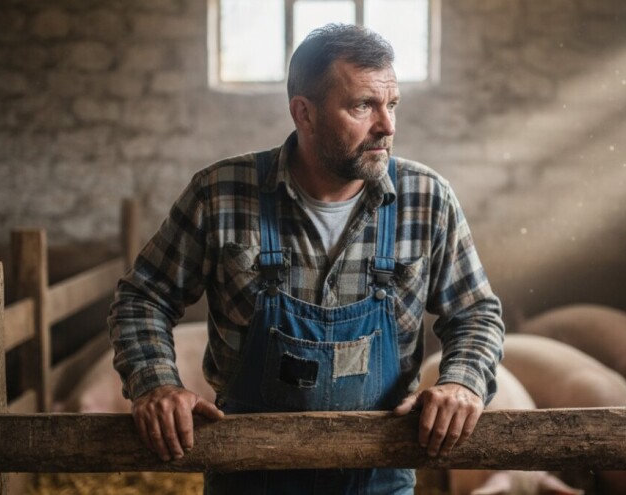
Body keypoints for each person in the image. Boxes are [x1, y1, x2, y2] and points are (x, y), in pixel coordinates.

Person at [109, 23, 505, 494]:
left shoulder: (426, 199)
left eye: (392, 104)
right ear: (305, 113)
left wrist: (463, 382)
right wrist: (155, 383)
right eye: (363, 105)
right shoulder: (220, 194)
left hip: (378, 473)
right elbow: (141, 298)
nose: (387, 125)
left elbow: (476, 313)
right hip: (249, 472)